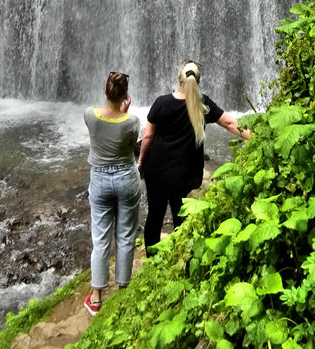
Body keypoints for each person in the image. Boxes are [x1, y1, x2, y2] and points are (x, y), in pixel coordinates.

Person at [137, 60, 250, 250]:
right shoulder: (202, 103)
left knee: (155, 216)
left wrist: (141, 160)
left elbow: (148, 136)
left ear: (178, 77)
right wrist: (256, 136)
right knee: (181, 217)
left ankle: (153, 261)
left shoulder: (161, 103)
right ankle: (182, 259)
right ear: (197, 81)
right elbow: (230, 123)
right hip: (184, 173)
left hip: (157, 171)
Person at [83, 71, 141, 316]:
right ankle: (123, 292)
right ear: (125, 96)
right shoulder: (132, 121)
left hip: (100, 179)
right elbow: (129, 145)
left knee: (101, 238)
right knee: (126, 235)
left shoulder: (89, 116)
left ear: (106, 92)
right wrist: (124, 112)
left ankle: (96, 298)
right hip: (126, 178)